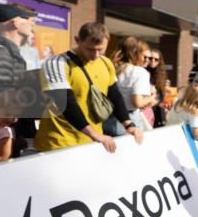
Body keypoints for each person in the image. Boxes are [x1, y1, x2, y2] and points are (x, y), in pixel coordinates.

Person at [35, 22, 144, 154]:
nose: (95, 55)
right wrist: (94, 134)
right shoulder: (57, 63)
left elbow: (114, 95)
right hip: (59, 141)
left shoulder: (106, 63)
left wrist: (129, 125)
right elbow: (65, 102)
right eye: (90, 49)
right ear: (77, 40)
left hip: (92, 142)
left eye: (101, 49)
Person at [106, 37, 155, 136]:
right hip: (129, 120)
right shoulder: (139, 72)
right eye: (144, 56)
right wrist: (151, 98)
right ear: (136, 53)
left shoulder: (113, 68)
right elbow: (138, 102)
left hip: (108, 118)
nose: (146, 60)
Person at [147, 49, 170, 128]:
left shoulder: (160, 74)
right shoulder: (142, 71)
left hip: (155, 109)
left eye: (156, 59)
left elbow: (161, 94)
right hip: (145, 108)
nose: (153, 61)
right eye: (150, 58)